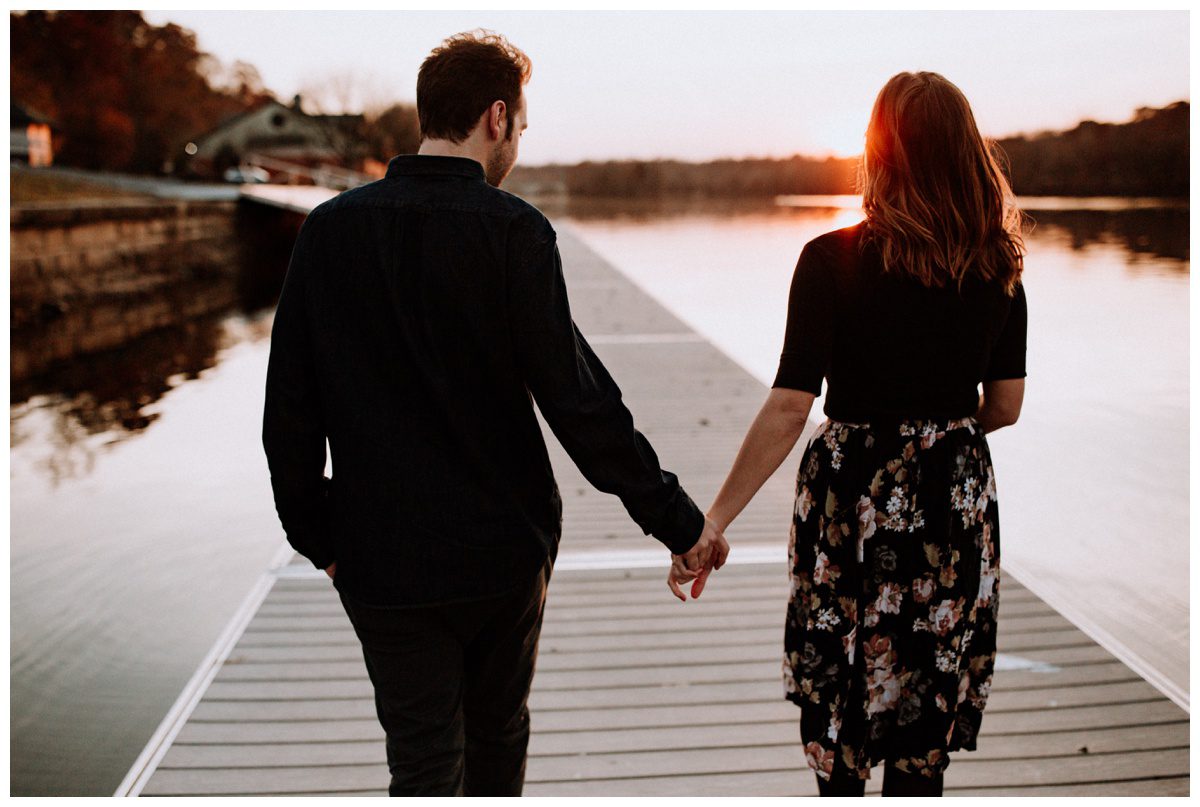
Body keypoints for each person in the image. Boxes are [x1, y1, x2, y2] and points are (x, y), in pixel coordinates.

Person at [262, 29, 728, 797]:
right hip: (500, 553)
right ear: (497, 117)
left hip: (381, 556)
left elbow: (289, 410)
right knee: (497, 738)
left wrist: (319, 537)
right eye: (522, 125)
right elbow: (580, 403)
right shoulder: (513, 230)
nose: (518, 142)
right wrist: (680, 523)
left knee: (421, 763)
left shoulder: (328, 230)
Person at [678, 71, 1027, 796]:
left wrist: (713, 520)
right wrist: (942, 431)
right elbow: (1006, 405)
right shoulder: (998, 265)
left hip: (852, 499)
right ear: (967, 152)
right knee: (923, 705)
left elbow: (789, 407)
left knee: (842, 698)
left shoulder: (829, 258)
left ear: (880, 152)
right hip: (951, 499)